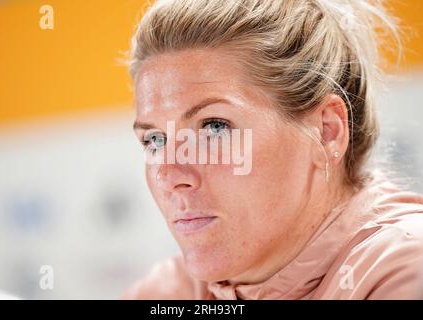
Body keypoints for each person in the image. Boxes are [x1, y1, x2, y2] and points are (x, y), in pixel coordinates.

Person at [123, 0, 423, 299]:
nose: (169, 176)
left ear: (326, 131)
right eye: (155, 140)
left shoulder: (407, 269)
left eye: (214, 127)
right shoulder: (169, 291)